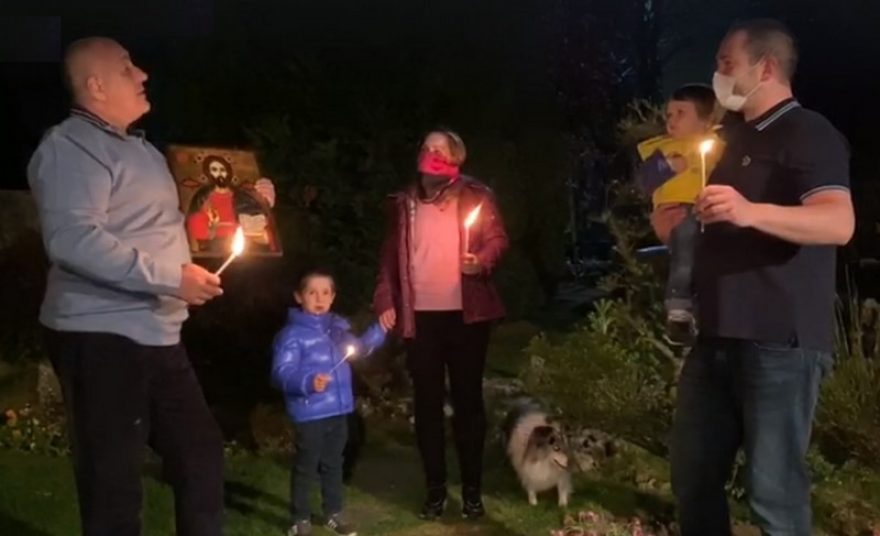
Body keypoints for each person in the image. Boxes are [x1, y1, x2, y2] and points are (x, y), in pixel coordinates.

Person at [27, 37, 275, 536]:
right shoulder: (70, 148)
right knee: (113, 484)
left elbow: (171, 229)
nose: (142, 75)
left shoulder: (142, 152)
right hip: (99, 335)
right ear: (96, 86)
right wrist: (170, 278)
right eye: (126, 68)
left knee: (200, 454)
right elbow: (73, 239)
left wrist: (248, 205)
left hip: (158, 332)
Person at [671, 19, 855, 536]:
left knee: (773, 494)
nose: (718, 74)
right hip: (716, 335)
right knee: (692, 477)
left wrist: (750, 211)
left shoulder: (809, 132)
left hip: (779, 342)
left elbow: (838, 222)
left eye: (727, 63)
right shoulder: (729, 140)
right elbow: (708, 220)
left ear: (766, 67)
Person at [373, 129, 509, 520]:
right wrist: (385, 300)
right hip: (421, 319)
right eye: (426, 147)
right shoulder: (404, 203)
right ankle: (435, 491)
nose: (430, 153)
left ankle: (472, 493)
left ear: (455, 158)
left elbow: (497, 239)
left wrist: (480, 262)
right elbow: (389, 259)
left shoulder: (476, 195)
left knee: (468, 403)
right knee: (427, 405)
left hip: (466, 317)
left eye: (439, 149)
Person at [272, 269, 386, 536]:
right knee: (306, 466)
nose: (319, 298)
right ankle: (300, 518)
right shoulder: (291, 335)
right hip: (310, 413)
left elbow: (358, 349)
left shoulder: (337, 330)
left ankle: (333, 512)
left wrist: (380, 330)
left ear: (333, 297)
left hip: (338, 410)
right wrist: (308, 381)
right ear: (299, 297)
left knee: (334, 463)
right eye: (312, 292)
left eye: (325, 292)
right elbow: (281, 373)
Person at [635, 84, 724, 345]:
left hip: (709, 212)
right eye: (669, 114)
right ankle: (678, 308)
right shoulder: (664, 150)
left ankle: (700, 312)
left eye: (681, 113)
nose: (671, 120)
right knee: (685, 250)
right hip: (677, 211)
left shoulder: (718, 148)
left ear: (706, 120)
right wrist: (668, 166)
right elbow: (643, 182)